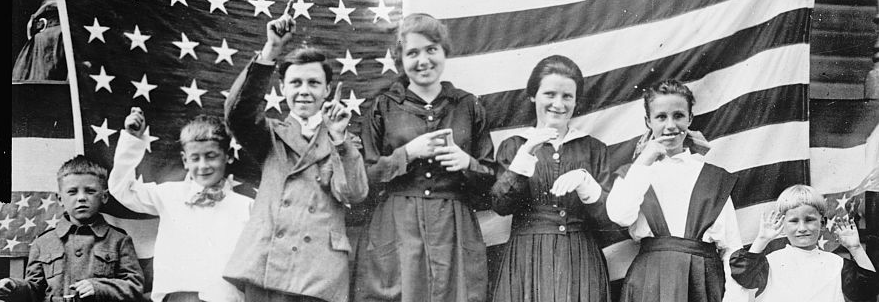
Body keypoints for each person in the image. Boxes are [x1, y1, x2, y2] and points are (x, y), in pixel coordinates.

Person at [222, 10, 369, 302]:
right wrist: (272, 49)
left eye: (313, 83)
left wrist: (338, 138)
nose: (304, 91)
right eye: (296, 83)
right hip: (267, 266)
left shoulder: (345, 140)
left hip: (317, 273)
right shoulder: (270, 134)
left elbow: (352, 193)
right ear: (283, 88)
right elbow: (236, 113)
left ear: (327, 90)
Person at [352, 13, 496, 302]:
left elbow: (492, 185)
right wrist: (407, 153)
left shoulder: (468, 106)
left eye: (431, 49)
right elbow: (363, 180)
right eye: (413, 53)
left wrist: (467, 163)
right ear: (401, 59)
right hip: (397, 227)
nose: (423, 60)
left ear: (445, 52)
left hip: (453, 228)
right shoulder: (384, 107)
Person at [606, 79, 745, 302]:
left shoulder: (713, 178)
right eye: (661, 117)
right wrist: (646, 159)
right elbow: (620, 215)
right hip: (650, 280)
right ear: (648, 121)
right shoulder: (635, 174)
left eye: (678, 116)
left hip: (703, 283)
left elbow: (731, 248)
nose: (670, 125)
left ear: (690, 118)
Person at [490, 55, 611, 302]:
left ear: (576, 101)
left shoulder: (593, 148)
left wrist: (586, 183)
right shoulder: (514, 146)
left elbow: (609, 221)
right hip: (528, 258)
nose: (558, 104)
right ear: (533, 95)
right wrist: (527, 152)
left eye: (567, 96)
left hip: (580, 259)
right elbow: (500, 205)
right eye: (550, 94)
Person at [109, 110, 253, 302]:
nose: (203, 166)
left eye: (211, 156)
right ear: (185, 160)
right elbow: (121, 189)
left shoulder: (246, 207)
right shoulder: (168, 195)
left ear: (227, 157)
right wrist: (131, 140)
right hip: (176, 296)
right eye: (195, 158)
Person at [0, 156, 145, 301]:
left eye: (90, 191)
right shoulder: (43, 243)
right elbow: (34, 289)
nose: (81, 198)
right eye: (72, 192)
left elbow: (134, 286)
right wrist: (14, 287)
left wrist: (99, 288)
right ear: (60, 199)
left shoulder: (119, 240)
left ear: (104, 196)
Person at [729, 185, 878, 301]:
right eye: (793, 221)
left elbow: (868, 290)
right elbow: (742, 275)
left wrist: (856, 248)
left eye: (809, 220)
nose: (802, 228)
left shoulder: (837, 264)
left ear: (823, 222)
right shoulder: (770, 263)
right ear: (782, 224)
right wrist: (762, 239)